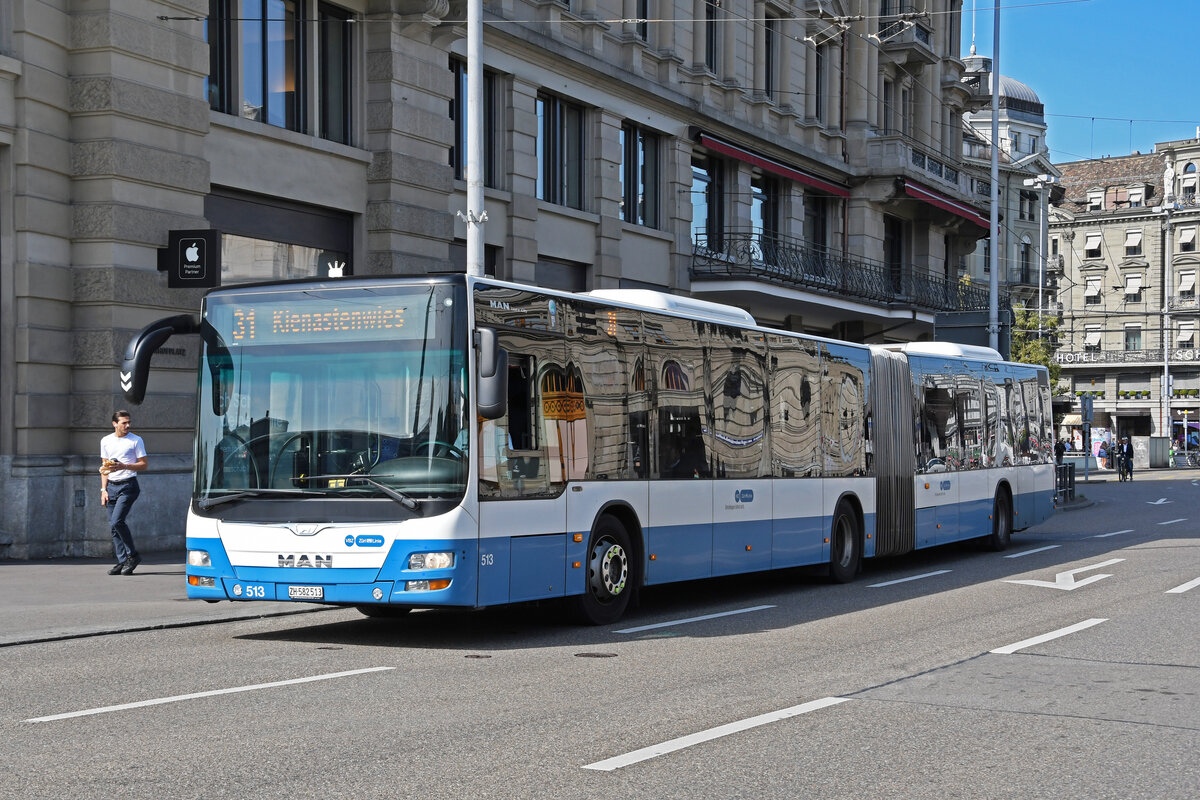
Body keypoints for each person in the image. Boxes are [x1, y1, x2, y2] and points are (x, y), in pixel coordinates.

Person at [100, 410, 148, 575]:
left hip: (128, 485)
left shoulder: (135, 440)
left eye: (129, 422)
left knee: (117, 521)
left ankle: (133, 556)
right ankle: (122, 561)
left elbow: (143, 464)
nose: (127, 425)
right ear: (115, 424)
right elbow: (104, 468)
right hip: (111, 487)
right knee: (113, 527)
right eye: (123, 423)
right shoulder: (106, 441)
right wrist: (103, 490)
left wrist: (124, 466)